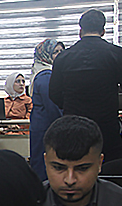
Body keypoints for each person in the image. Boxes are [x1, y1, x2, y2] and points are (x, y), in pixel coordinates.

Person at [41, 115, 122, 206]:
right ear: (45, 162)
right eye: (59, 168)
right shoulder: (25, 205)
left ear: (100, 163)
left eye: (82, 169)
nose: (70, 180)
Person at [50, 8, 122, 161]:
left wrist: (72, 106)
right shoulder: (116, 54)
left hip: (73, 125)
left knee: (76, 165)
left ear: (80, 31)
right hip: (106, 125)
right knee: (110, 167)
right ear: (103, 31)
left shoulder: (63, 57)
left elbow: (54, 93)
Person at [30, 39, 65, 180]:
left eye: (62, 51)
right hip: (46, 127)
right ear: (45, 55)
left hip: (44, 125)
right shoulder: (45, 76)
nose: (60, 55)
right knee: (44, 166)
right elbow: (53, 106)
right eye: (56, 52)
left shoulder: (51, 73)